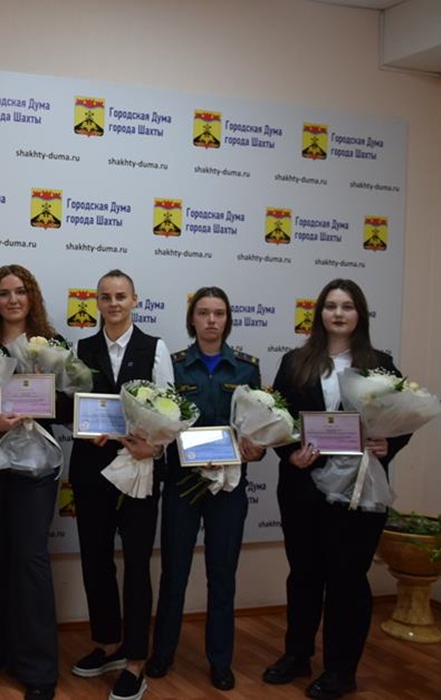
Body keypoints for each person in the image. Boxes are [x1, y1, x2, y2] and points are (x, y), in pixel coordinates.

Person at [263, 279, 409, 700]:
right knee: (304, 575)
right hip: (302, 489)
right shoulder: (295, 362)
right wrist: (290, 454)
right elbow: (277, 418)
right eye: (331, 306)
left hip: (359, 491)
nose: (338, 313)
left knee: (347, 581)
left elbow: (404, 418)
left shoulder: (380, 365)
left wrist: (389, 444)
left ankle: (341, 671)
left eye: (347, 306)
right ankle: (297, 655)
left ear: (359, 314)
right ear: (320, 314)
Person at [144, 287, 264, 692]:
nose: (212, 320)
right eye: (204, 313)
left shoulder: (246, 368)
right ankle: (162, 654)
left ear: (228, 319)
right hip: (183, 482)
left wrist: (256, 448)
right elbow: (163, 423)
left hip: (228, 487)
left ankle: (220, 661)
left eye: (219, 313)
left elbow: (257, 427)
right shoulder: (176, 366)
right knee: (173, 573)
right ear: (192, 319)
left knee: (222, 575)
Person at [67, 269, 173, 700]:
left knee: (136, 562)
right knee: (95, 559)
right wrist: (83, 428)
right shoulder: (82, 348)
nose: (113, 303)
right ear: (96, 302)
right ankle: (108, 643)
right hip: (91, 468)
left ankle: (135, 659)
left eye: (121, 296)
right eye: (106, 297)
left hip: (138, 466)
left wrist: (155, 447)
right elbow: (75, 406)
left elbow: (170, 409)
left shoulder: (154, 347)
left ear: (134, 300)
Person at [0, 265, 60, 700]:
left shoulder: (53, 347)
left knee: (29, 559)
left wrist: (43, 400)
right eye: (3, 293)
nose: (12, 300)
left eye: (20, 291)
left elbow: (69, 407)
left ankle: (39, 668)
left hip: (36, 468)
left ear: (32, 297)